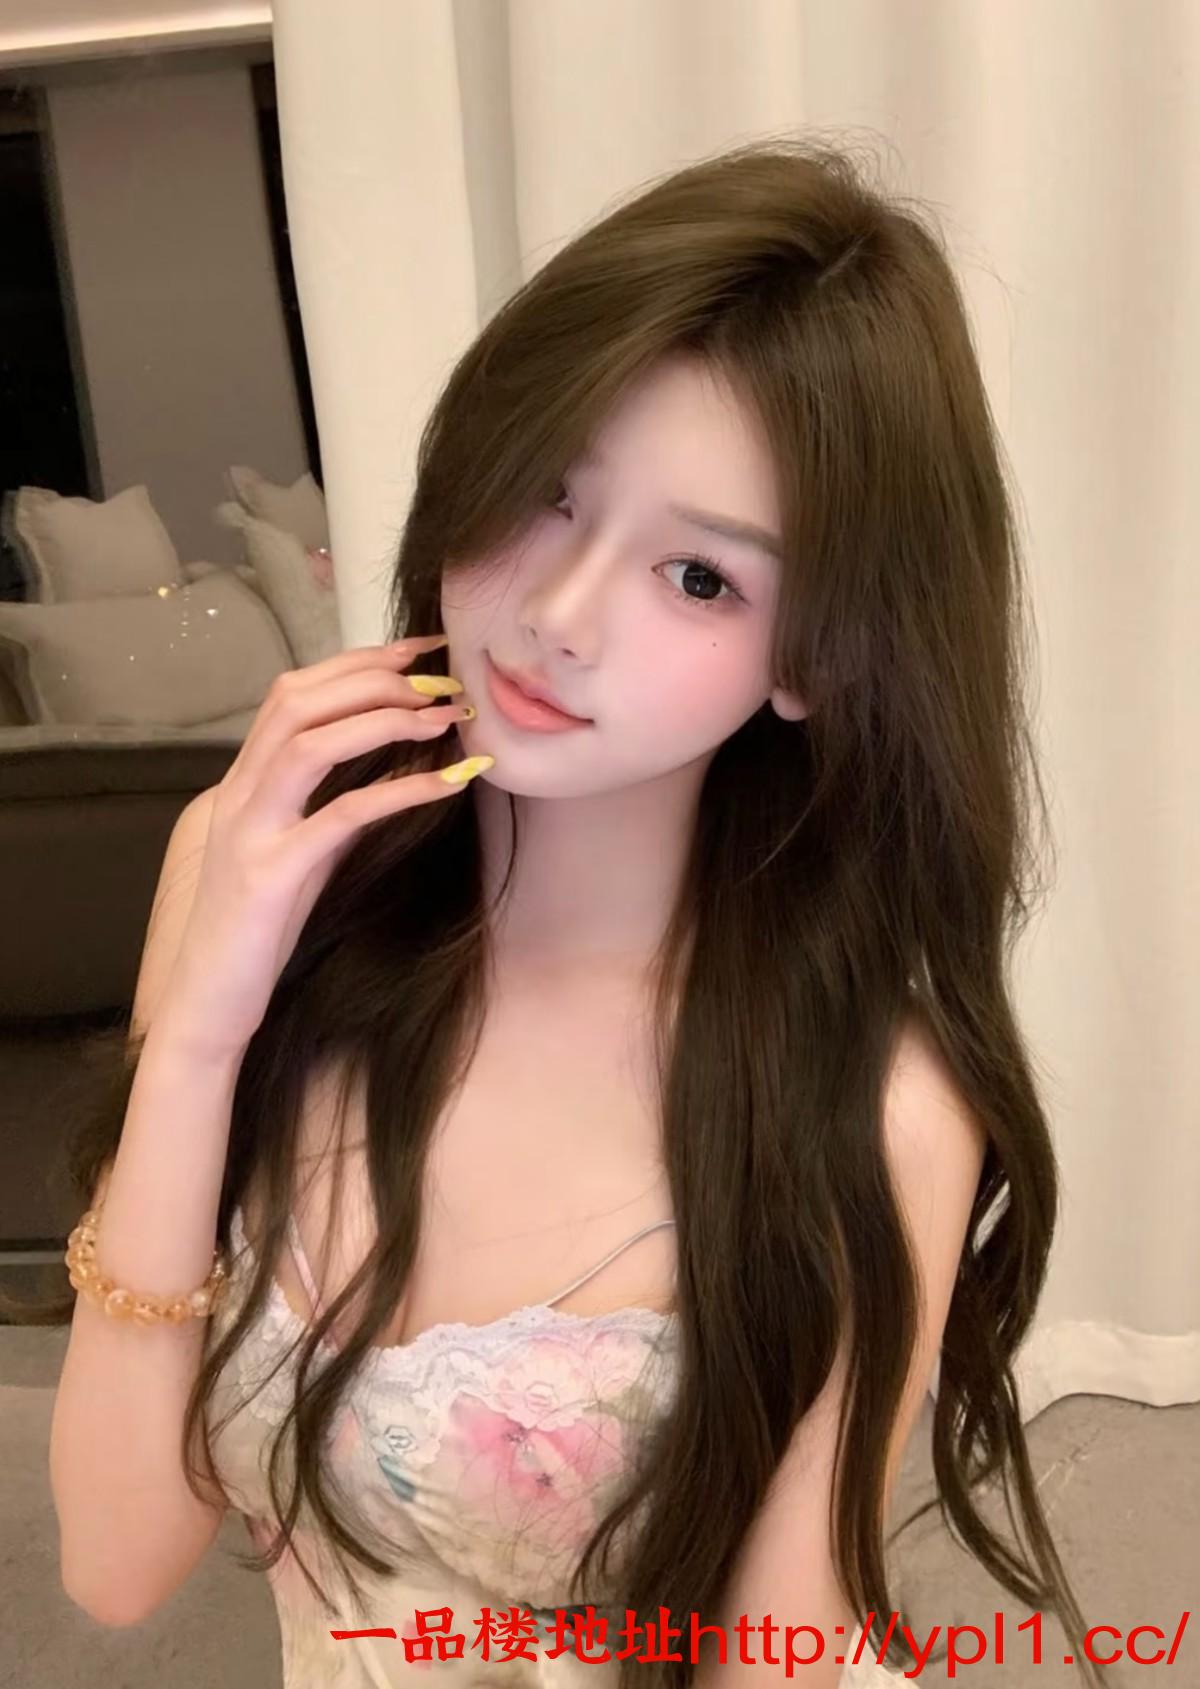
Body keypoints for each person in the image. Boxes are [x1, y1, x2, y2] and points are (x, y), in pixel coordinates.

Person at [33, 136, 1109, 1689]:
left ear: (813, 658)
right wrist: (201, 1034)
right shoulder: (245, 869)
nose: (557, 613)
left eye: (698, 577)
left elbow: (778, 1656)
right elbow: (116, 1558)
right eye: (546, 490)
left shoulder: (874, 1096)